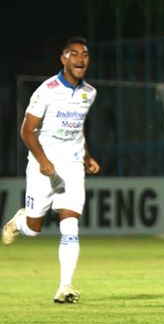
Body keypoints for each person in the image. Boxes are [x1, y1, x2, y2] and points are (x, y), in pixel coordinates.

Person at [2, 36, 100, 303]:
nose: (80, 59)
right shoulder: (47, 89)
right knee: (34, 228)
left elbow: (77, 127)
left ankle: (65, 286)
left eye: (85, 54)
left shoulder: (89, 92)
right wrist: (43, 161)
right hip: (43, 164)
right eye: (74, 54)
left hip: (72, 165)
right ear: (63, 58)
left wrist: (87, 156)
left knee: (70, 224)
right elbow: (26, 130)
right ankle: (18, 221)